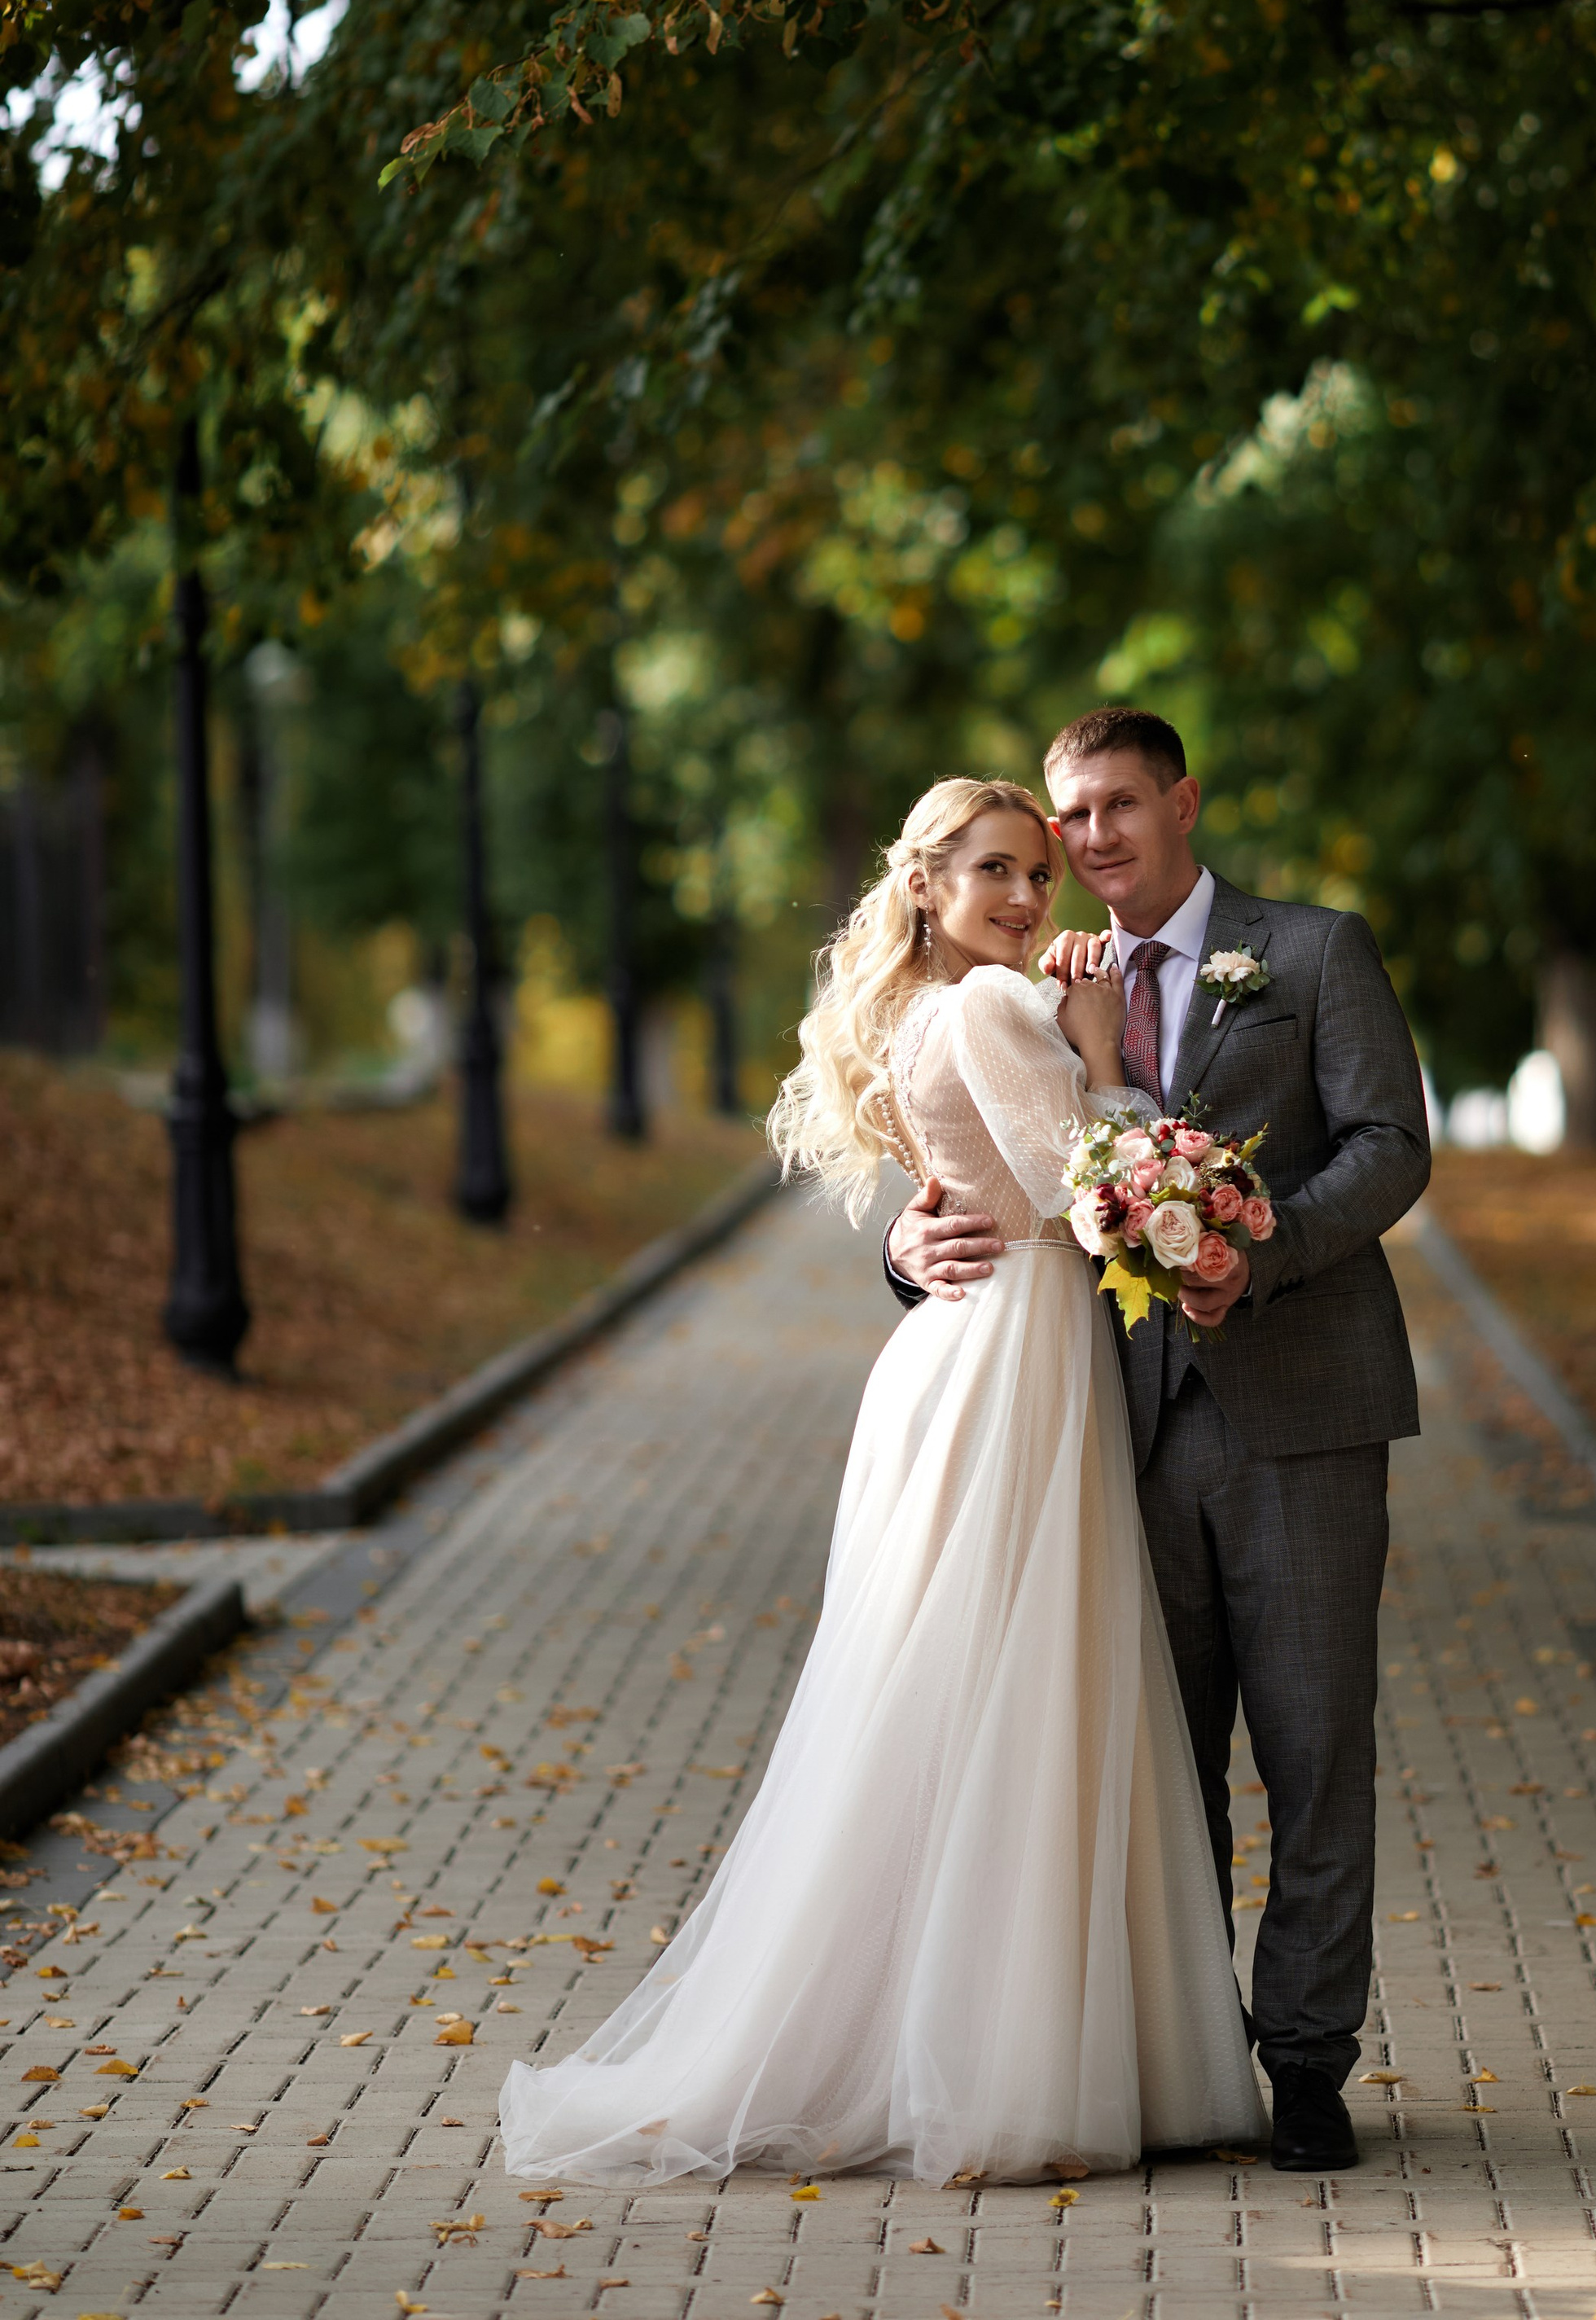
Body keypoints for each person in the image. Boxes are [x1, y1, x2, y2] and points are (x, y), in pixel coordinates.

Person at [501, 774, 1265, 2190]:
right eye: (996, 872)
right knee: (1018, 1691)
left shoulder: (929, 1010)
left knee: (966, 1692)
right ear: (926, 884)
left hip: (978, 1353)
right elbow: (1088, 1191)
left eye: (1037, 874)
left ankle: (965, 2035)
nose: (1028, 899)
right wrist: (1103, 1047)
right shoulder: (993, 1007)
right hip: (1013, 1363)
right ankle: (1010, 2067)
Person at [886, 708, 1429, 2175]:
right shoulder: (1043, 978)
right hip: (1108, 1426)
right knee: (1150, 1766)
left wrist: (1269, 1249)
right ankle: (1178, 2063)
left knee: (1315, 1752)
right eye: (1070, 817)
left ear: (1182, 804)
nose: (1090, 839)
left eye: (1118, 805)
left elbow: (1391, 1145)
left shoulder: (1310, 951)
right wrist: (905, 1250)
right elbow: (997, 1167)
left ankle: (1306, 2064)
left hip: (1302, 1415)